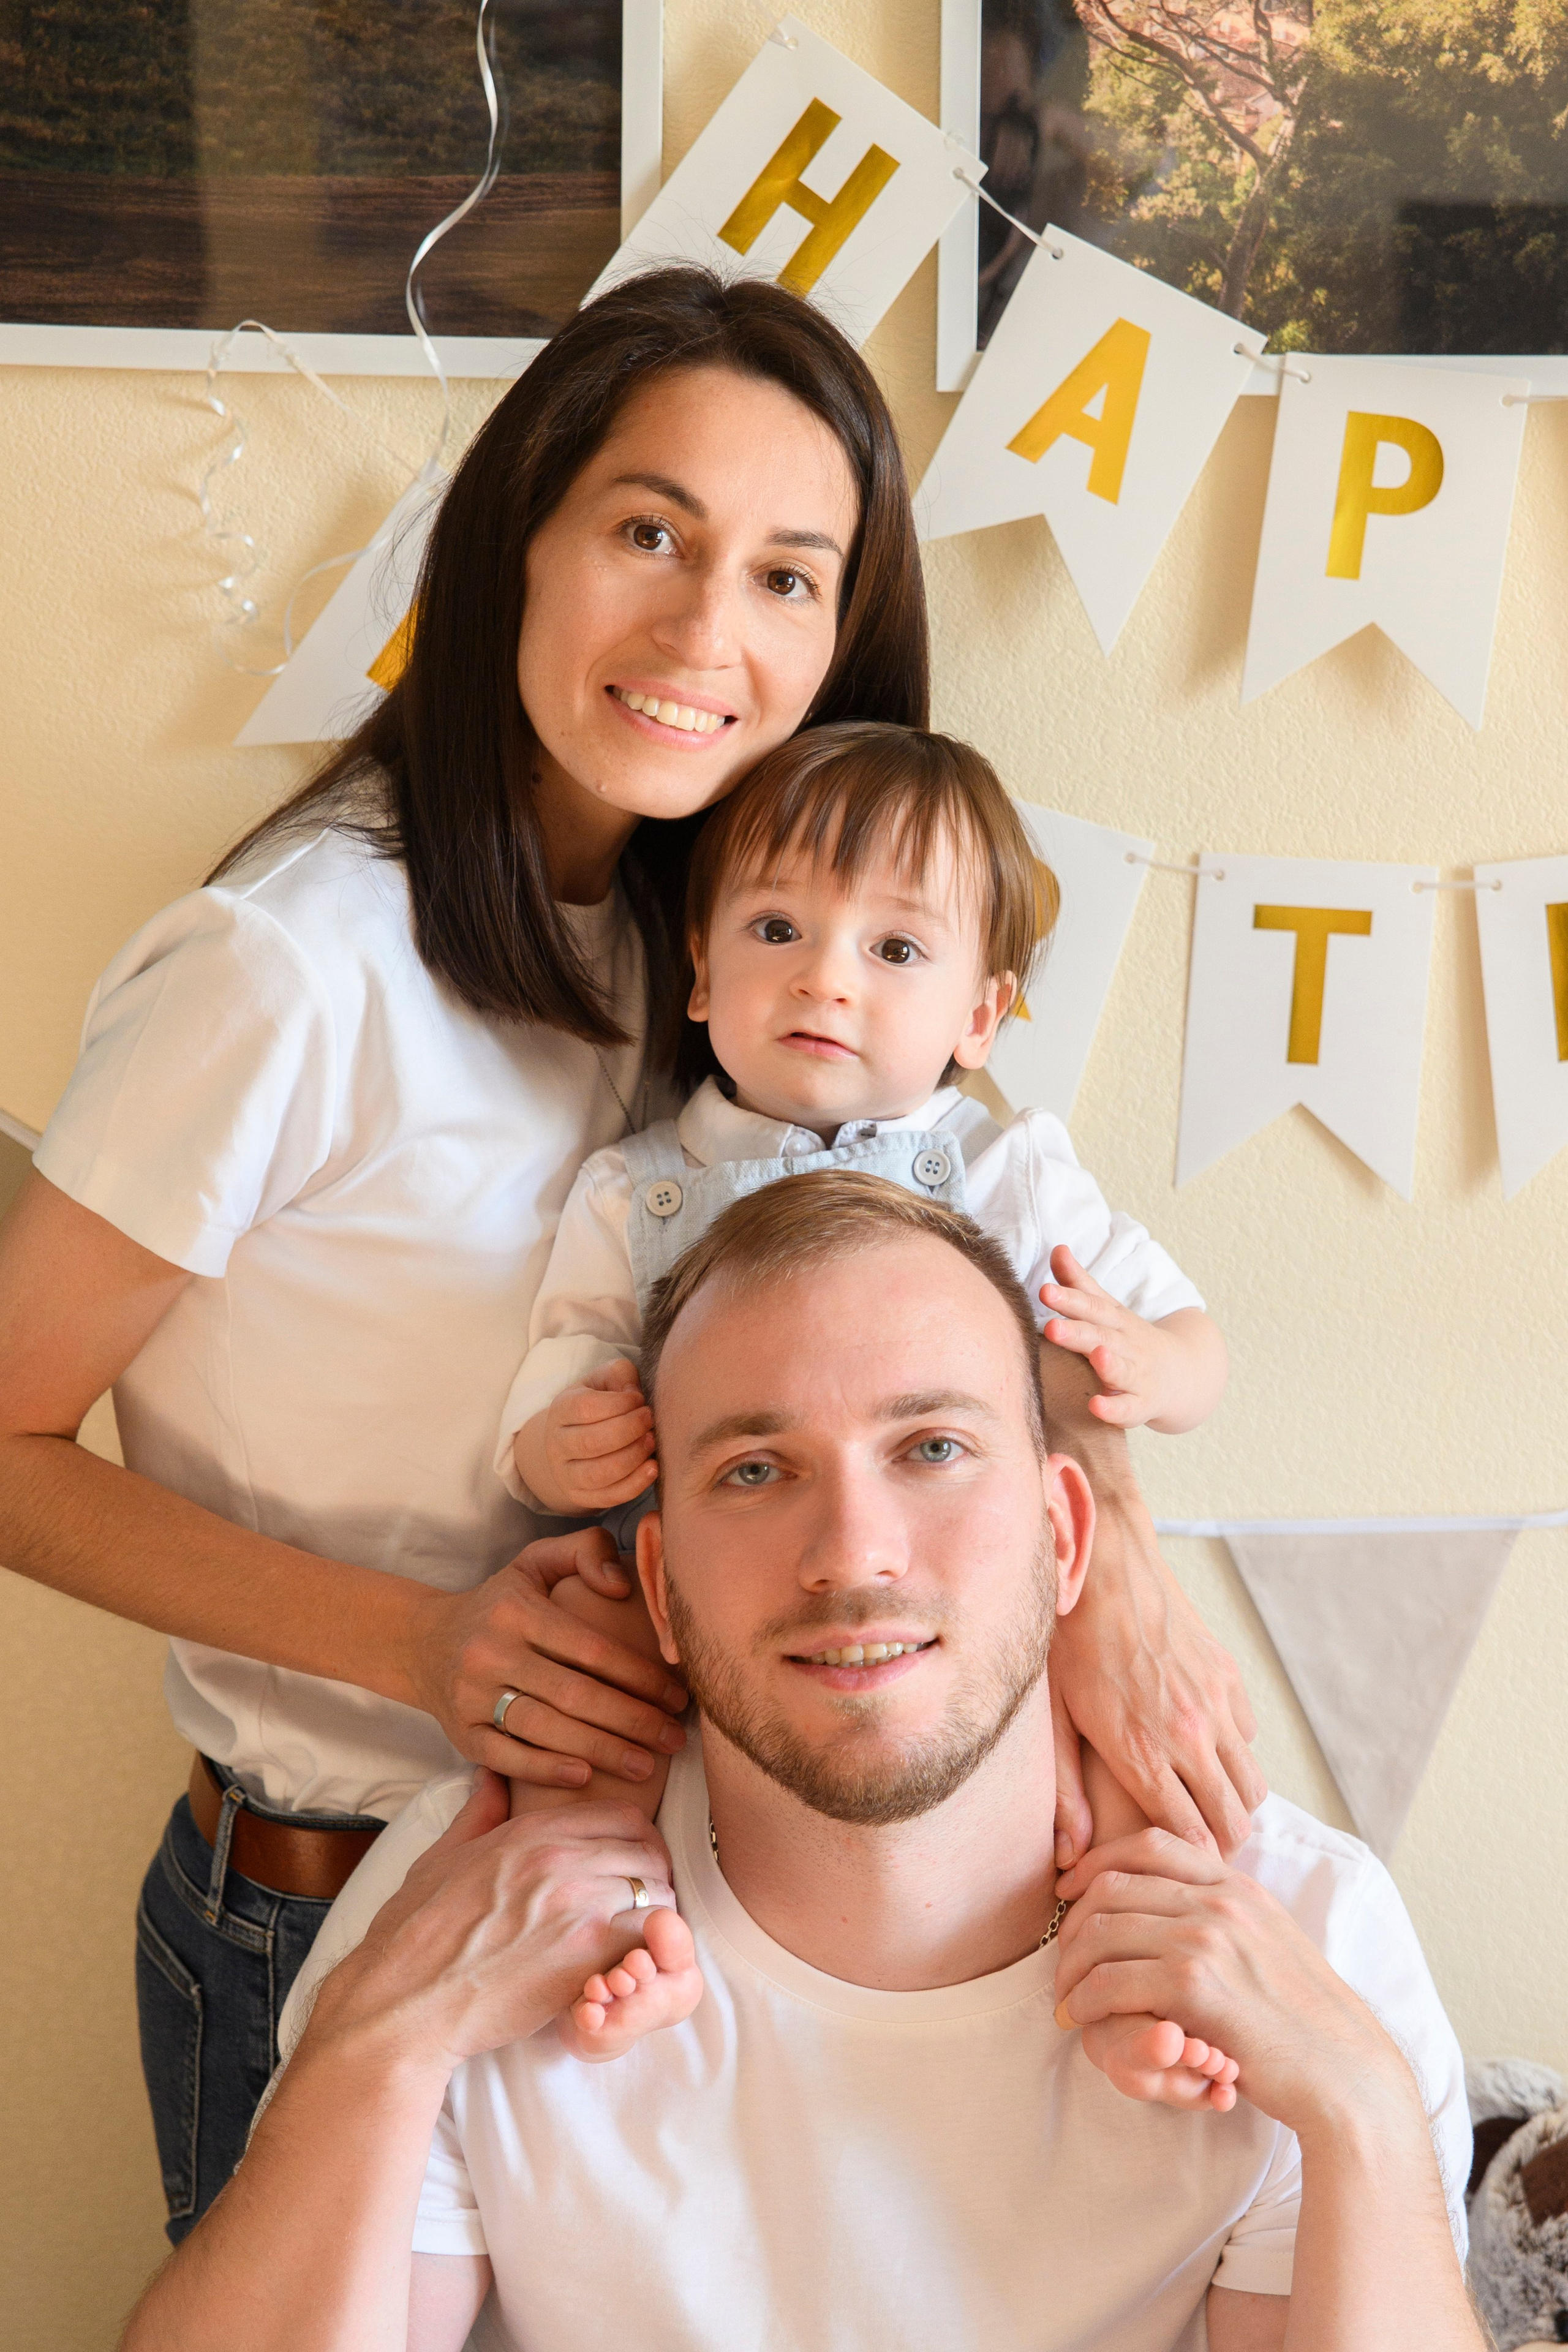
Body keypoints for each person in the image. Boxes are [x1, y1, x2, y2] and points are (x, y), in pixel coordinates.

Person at [0, 265, 1257, 2241]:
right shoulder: (290, 973)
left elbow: (964, 1256)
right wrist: (415, 1644)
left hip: (677, 1910)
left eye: (786, 574)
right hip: (345, 1889)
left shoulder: (746, 937)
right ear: (519, 543)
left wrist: (1115, 1568)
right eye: (651, 534)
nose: (703, 630)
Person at [118, 1173, 1476, 2352]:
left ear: (1067, 1535)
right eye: (757, 1472)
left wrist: (1358, 2114)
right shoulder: (483, 1897)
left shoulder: (1304, 1939)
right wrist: (383, 2040)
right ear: (658, 1585)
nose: (852, 1553)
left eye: (931, 1448)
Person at [502, 720, 1227, 1528]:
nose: (826, 979)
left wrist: (1159, 1369)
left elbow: (1187, 1337)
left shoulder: (1008, 1172)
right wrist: (555, 1452)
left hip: (957, 1599)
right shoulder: (632, 1193)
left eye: (895, 948)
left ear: (980, 1016)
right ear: (702, 973)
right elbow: (559, 1375)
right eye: (778, 930)